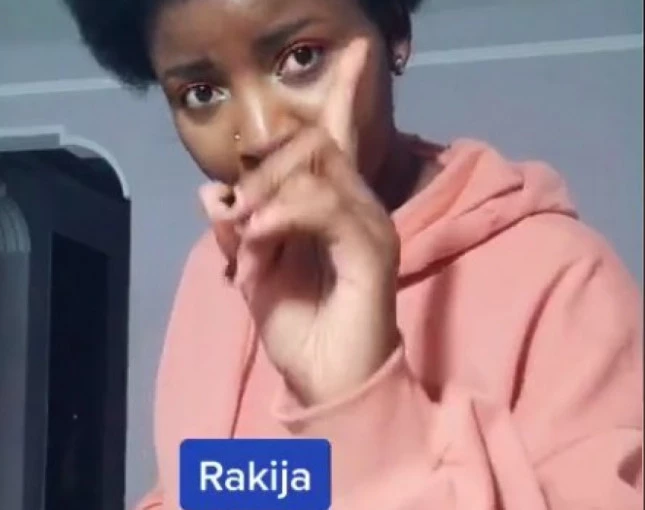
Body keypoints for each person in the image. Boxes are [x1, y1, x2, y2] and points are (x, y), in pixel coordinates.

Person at [63, 0, 643, 508]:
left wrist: (356, 402)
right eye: (202, 93)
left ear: (394, 32)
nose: (259, 133)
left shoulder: (563, 279)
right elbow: (204, 485)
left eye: (301, 58)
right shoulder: (213, 271)